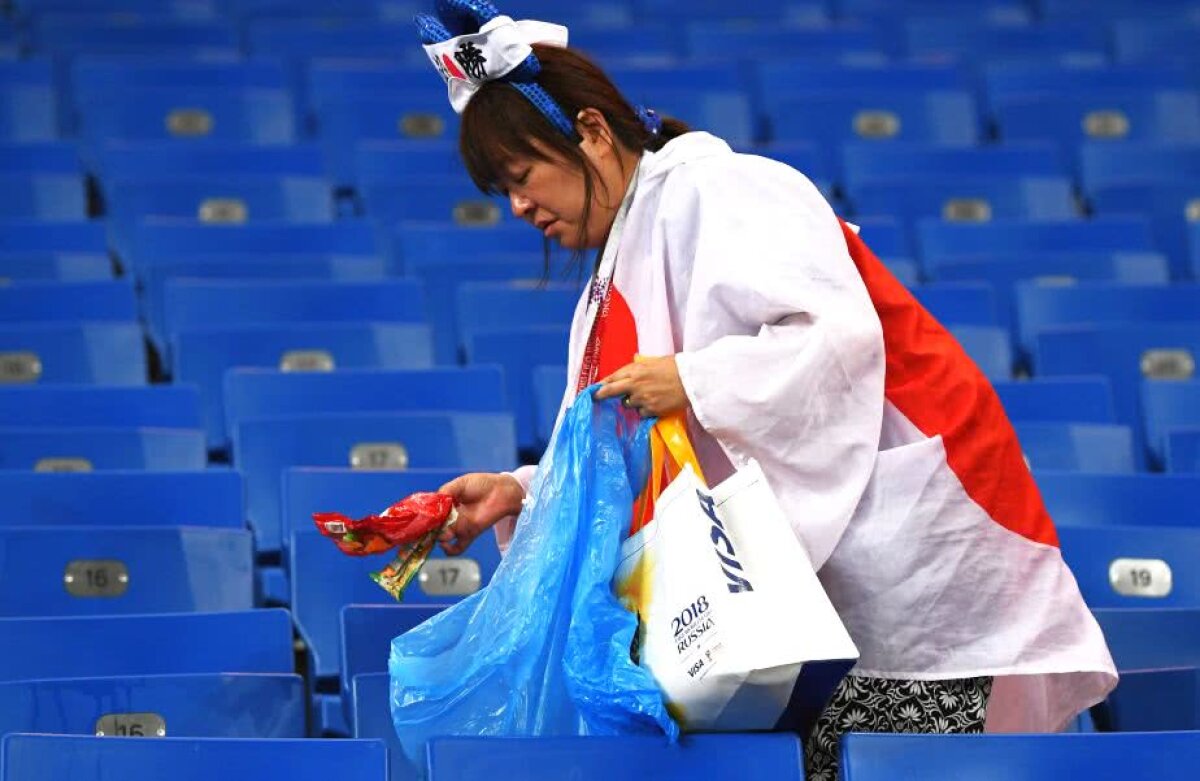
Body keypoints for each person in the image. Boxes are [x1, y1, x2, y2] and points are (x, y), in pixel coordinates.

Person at [417, 2, 1117, 778]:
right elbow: (632, 448)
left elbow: (834, 339)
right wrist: (524, 491)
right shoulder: (613, 271)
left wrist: (691, 377)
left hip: (915, 568)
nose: (518, 207)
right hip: (810, 606)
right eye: (502, 191)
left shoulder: (719, 190)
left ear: (591, 131)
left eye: (521, 177)